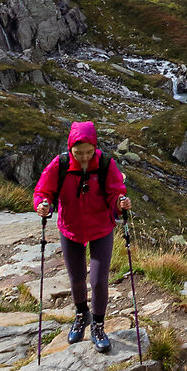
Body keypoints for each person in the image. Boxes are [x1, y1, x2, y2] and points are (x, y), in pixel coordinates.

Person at [33, 119, 127, 353]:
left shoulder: (105, 163)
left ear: (95, 147)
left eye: (88, 152)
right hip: (71, 229)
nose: (84, 157)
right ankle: (81, 315)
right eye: (78, 152)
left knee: (97, 280)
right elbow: (43, 191)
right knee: (76, 279)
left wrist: (120, 203)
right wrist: (43, 204)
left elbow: (116, 191)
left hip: (101, 228)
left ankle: (97, 325)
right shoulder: (61, 164)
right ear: (70, 148)